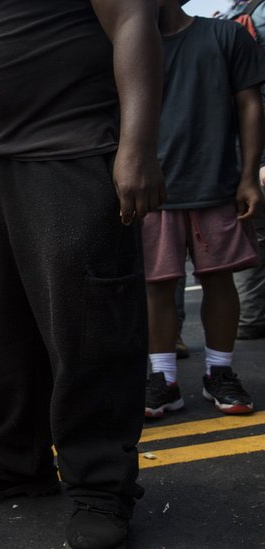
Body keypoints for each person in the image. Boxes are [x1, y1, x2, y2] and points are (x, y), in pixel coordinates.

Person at [0, 2, 165, 548]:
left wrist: (137, 146)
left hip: (69, 153)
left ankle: (101, 486)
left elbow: (132, 20)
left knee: (89, 330)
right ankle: (17, 460)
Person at [143, 0, 265, 419]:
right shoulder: (126, 45)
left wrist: (249, 176)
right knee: (157, 285)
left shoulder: (225, 35)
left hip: (216, 182)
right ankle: (163, 379)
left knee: (219, 279)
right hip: (153, 188)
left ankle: (219, 372)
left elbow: (250, 103)